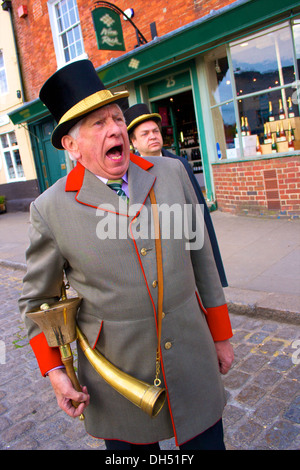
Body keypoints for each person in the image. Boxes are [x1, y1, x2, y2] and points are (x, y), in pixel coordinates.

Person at [19, 59, 234, 451]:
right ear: (71, 145)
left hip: (192, 353)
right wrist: (53, 369)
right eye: (98, 124)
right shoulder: (49, 209)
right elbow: (38, 301)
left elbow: (202, 257)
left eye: (116, 117)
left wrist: (221, 335)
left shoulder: (171, 173)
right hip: (115, 371)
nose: (116, 128)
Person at [124, 103, 228, 287]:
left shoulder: (179, 164)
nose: (153, 136)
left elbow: (197, 212)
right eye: (145, 134)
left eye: (155, 131)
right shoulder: (128, 173)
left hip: (183, 246)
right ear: (133, 142)